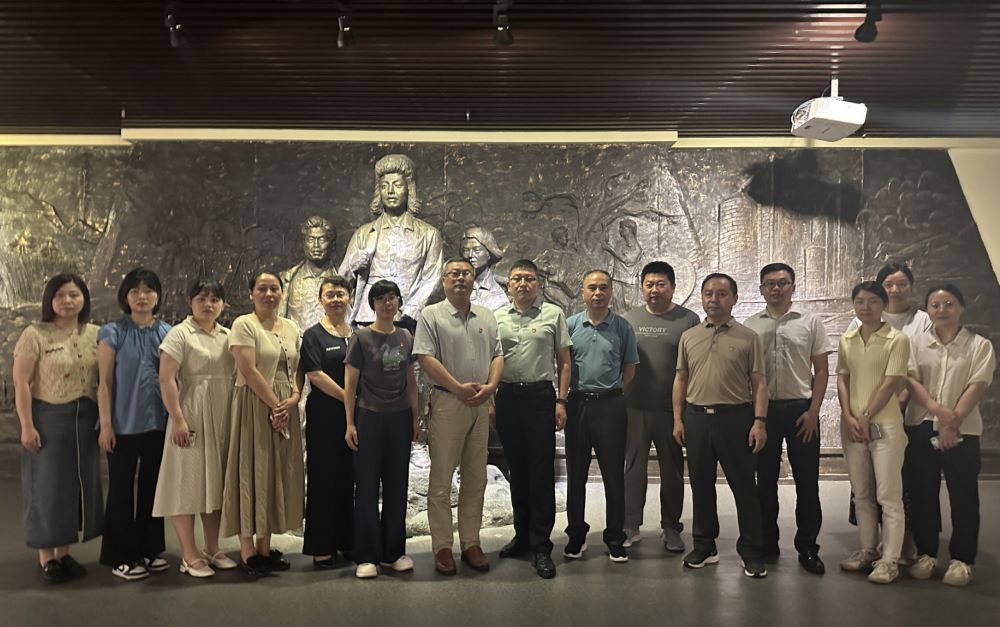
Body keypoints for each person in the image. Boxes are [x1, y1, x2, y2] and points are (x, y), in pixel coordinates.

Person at [673, 273, 768, 578]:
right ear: (702, 298)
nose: (714, 299)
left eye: (722, 294)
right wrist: (678, 419)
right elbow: (681, 379)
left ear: (734, 298)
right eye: (708, 293)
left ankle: (751, 551)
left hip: (735, 419)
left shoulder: (748, 337)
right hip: (697, 418)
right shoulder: (689, 337)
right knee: (701, 485)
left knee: (744, 488)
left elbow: (759, 382)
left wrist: (759, 422)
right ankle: (704, 546)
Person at [413, 258, 504, 576]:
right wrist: (457, 388)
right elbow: (425, 357)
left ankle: (470, 543)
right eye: (454, 273)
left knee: (476, 477)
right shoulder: (431, 315)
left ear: (473, 278)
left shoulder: (486, 316)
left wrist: (491, 388)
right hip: (447, 402)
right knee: (441, 479)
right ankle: (442, 546)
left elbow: (497, 355)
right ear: (444, 280)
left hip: (480, 402)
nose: (461, 278)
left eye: (467, 273)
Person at [13, 273, 103, 584]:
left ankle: (64, 553)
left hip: (86, 418)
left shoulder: (97, 334)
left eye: (74, 295)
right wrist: (27, 425)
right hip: (49, 418)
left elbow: (105, 380)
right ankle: (46, 557)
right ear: (50, 300)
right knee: (47, 487)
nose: (67, 301)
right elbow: (21, 383)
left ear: (84, 299)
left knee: (74, 487)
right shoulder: (35, 334)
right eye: (60, 295)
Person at [905, 284, 995, 586]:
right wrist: (936, 411)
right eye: (935, 304)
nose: (942, 309)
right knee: (923, 493)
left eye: (949, 303)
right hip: (921, 425)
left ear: (961, 307)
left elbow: (977, 385)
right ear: (927, 309)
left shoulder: (979, 345)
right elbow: (912, 380)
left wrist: (951, 422)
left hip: (963, 429)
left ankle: (961, 560)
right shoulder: (915, 343)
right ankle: (927, 553)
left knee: (963, 495)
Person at [744, 263, 831, 574]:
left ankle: (808, 547)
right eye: (770, 283)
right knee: (764, 482)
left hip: (801, 412)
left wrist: (813, 412)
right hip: (763, 413)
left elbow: (822, 370)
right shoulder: (751, 325)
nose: (776, 288)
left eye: (782, 282)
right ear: (761, 289)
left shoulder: (810, 322)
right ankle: (768, 542)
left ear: (793, 286)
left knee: (807, 483)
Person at [221, 271, 305, 576]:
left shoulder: (291, 327)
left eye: (274, 289)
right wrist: (275, 404)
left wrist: (294, 397)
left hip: (285, 406)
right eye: (262, 289)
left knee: (274, 472)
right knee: (251, 469)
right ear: (251, 293)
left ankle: (265, 547)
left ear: (282, 292)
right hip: (255, 404)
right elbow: (248, 369)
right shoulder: (244, 324)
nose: (269, 294)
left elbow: (296, 367)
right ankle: (247, 549)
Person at [492, 259, 572, 578]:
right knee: (517, 469)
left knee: (540, 472)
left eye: (529, 278)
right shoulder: (497, 317)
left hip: (540, 397)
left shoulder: (553, 314)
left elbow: (564, 362)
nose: (523, 284)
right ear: (508, 285)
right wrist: (491, 401)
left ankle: (541, 545)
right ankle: (522, 536)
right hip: (508, 397)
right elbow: (491, 360)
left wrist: (561, 400)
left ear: (538, 284)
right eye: (517, 279)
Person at [845, 262, 930, 562]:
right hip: (864, 416)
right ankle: (872, 545)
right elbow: (847, 372)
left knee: (899, 485)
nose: (895, 289)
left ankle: (902, 546)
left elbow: (911, 372)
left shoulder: (920, 321)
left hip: (906, 412)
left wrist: (898, 404)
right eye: (889, 284)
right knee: (866, 486)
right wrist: (854, 414)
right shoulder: (855, 327)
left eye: (901, 284)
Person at [153, 280, 237, 578]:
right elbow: (166, 379)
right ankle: (189, 555)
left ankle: (212, 548)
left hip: (222, 415)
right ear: (190, 302)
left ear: (223, 305)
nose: (208, 304)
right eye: (201, 298)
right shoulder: (180, 333)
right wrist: (177, 419)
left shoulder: (228, 336)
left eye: (215, 299)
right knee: (186, 485)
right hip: (192, 415)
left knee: (213, 484)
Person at [97, 268, 172, 581]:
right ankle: (122, 556)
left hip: (159, 423)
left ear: (157, 296)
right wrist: (105, 425)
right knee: (120, 490)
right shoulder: (112, 332)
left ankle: (150, 549)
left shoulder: (167, 332)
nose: (142, 296)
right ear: (125, 296)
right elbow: (103, 383)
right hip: (122, 425)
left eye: (148, 290)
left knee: (154, 488)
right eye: (135, 291)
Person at [343, 280, 420, 579]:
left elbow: (411, 381)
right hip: (369, 417)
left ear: (399, 302)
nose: (387, 303)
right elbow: (350, 385)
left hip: (399, 418)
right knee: (366, 486)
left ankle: (393, 553)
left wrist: (415, 419)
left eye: (392, 298)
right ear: (372, 304)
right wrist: (350, 422)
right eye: (381, 298)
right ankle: (366, 555)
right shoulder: (361, 337)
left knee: (397, 484)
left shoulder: (406, 336)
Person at [621, 261, 699, 555]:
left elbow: (694, 366)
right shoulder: (629, 320)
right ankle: (630, 525)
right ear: (642, 288)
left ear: (673, 287)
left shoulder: (688, 320)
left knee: (673, 470)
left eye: (661, 284)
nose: (655, 290)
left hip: (672, 411)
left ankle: (671, 528)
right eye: (649, 284)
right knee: (632, 469)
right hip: (635, 408)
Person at [836, 281, 910, 584]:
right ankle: (868, 549)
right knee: (862, 493)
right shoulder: (847, 339)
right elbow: (842, 378)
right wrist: (848, 416)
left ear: (884, 305)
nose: (865, 307)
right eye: (860, 301)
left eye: (873, 301)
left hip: (885, 425)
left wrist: (866, 416)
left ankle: (889, 559)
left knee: (888, 496)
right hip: (852, 426)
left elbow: (891, 383)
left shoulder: (897, 339)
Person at [563, 270, 639, 564]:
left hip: (611, 406)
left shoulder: (622, 327)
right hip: (578, 405)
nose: (597, 293)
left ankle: (614, 537)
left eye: (603, 288)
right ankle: (576, 535)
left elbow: (630, 367)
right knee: (576, 475)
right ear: (582, 292)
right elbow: (563, 365)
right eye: (592, 288)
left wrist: (615, 393)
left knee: (613, 475)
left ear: (611, 292)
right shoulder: (570, 325)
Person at [339, 154, 444, 329]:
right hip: (368, 319)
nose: (390, 191)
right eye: (384, 186)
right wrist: (353, 265)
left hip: (409, 320)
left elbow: (433, 278)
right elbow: (341, 280)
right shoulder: (364, 234)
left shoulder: (429, 234)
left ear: (409, 189)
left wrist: (413, 309)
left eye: (397, 185)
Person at [300, 276, 354, 567]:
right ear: (320, 300)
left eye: (340, 294)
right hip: (325, 414)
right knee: (323, 478)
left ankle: (347, 540)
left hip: (353, 416)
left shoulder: (356, 334)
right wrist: (348, 397)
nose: (336, 299)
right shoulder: (313, 335)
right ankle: (322, 546)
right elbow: (315, 374)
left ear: (349, 298)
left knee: (348, 477)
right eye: (330, 294)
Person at [278, 216, 339, 332]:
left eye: (322, 240)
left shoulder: (344, 279)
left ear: (332, 244)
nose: (316, 246)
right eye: (310, 240)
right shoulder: (286, 279)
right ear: (304, 243)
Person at [461, 225, 510, 311]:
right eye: (466, 250)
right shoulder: (455, 286)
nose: (470, 255)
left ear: (489, 253)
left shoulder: (505, 287)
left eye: (477, 250)